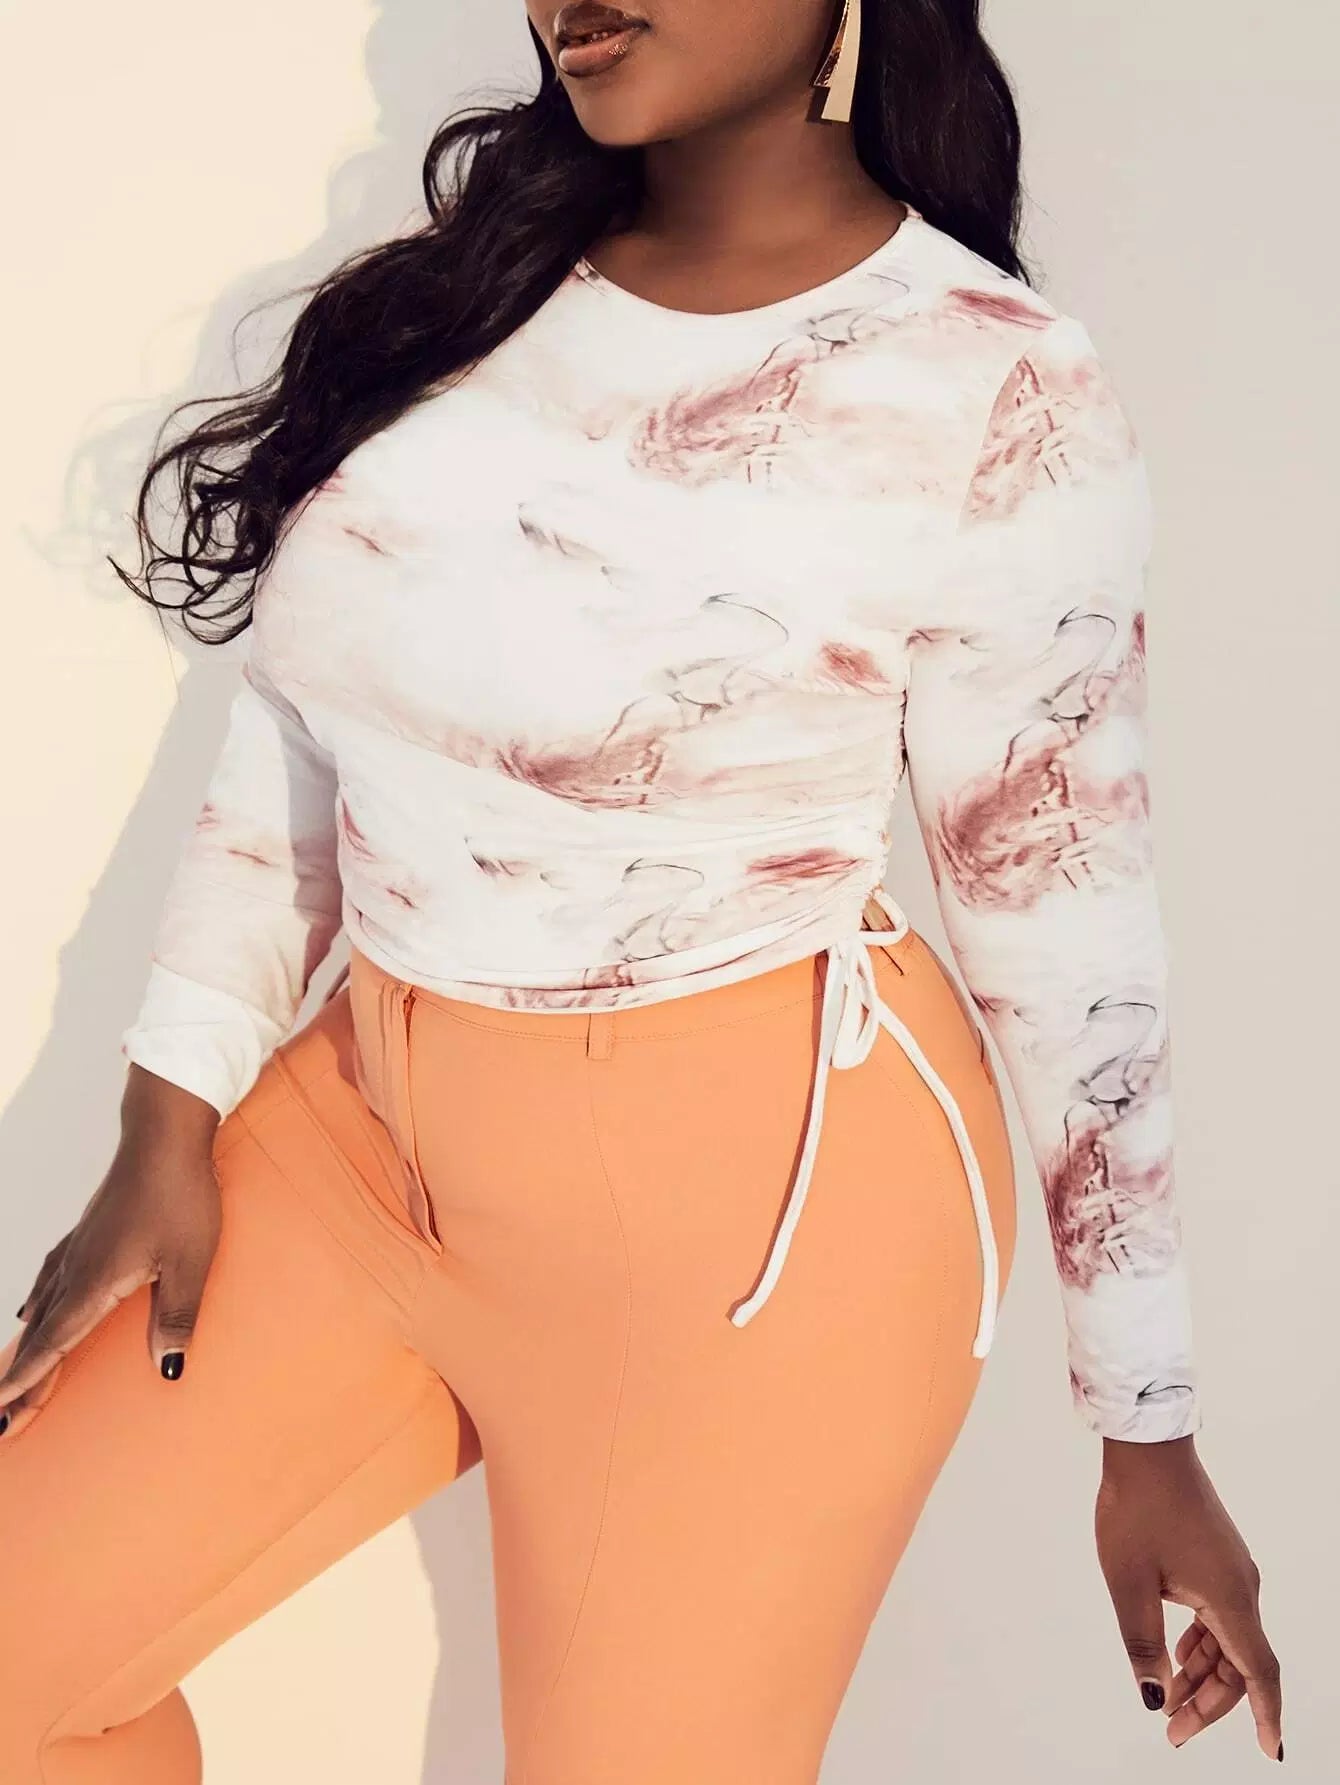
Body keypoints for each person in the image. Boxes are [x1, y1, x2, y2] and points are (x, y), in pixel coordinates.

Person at [0, 2, 1283, 1779]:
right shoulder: (478, 291)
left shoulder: (992, 380)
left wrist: (1147, 1426)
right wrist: (172, 1108)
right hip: (366, 1142)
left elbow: (1068, 923)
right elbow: (306, 706)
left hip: (753, 1241)